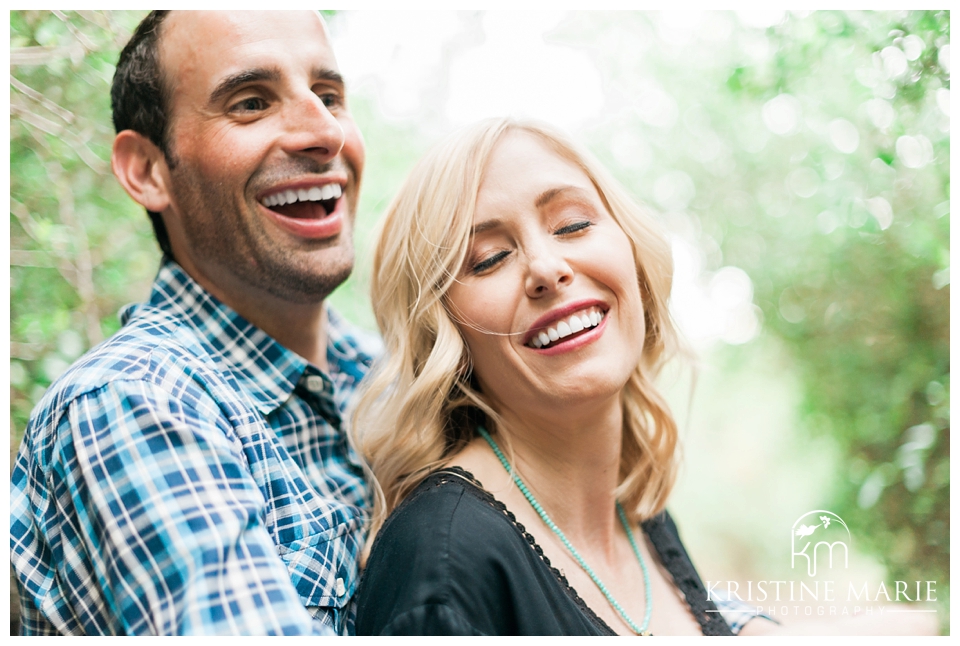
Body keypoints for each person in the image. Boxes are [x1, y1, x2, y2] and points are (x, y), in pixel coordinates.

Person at [350, 119, 939, 636]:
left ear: (631, 249)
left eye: (574, 224)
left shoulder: (635, 511)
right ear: (443, 331)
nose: (548, 269)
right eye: (488, 259)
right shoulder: (443, 566)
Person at [10, 10, 378, 635]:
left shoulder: (390, 376)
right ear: (149, 171)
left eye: (329, 95)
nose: (323, 131)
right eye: (252, 102)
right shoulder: (136, 402)